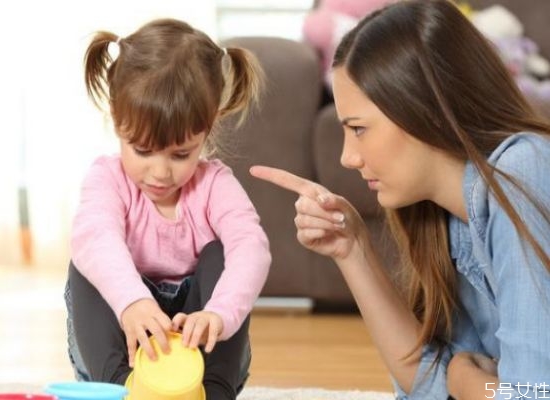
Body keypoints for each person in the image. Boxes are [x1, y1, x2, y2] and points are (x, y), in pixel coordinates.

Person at [250, 1, 550, 399]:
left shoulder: (521, 171)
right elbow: (428, 387)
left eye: (358, 129)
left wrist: (466, 384)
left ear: (426, 109)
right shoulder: (449, 218)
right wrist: (352, 249)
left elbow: (530, 394)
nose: (347, 158)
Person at [64, 17, 271, 400]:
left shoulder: (215, 185)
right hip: (124, 350)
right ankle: (119, 389)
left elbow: (251, 248)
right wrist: (133, 302)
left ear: (208, 128)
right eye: (142, 150)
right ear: (115, 118)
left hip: (198, 361)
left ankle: (215, 391)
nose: (160, 172)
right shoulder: (107, 179)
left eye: (180, 154)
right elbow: (95, 236)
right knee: (87, 257)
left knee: (222, 252)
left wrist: (219, 315)